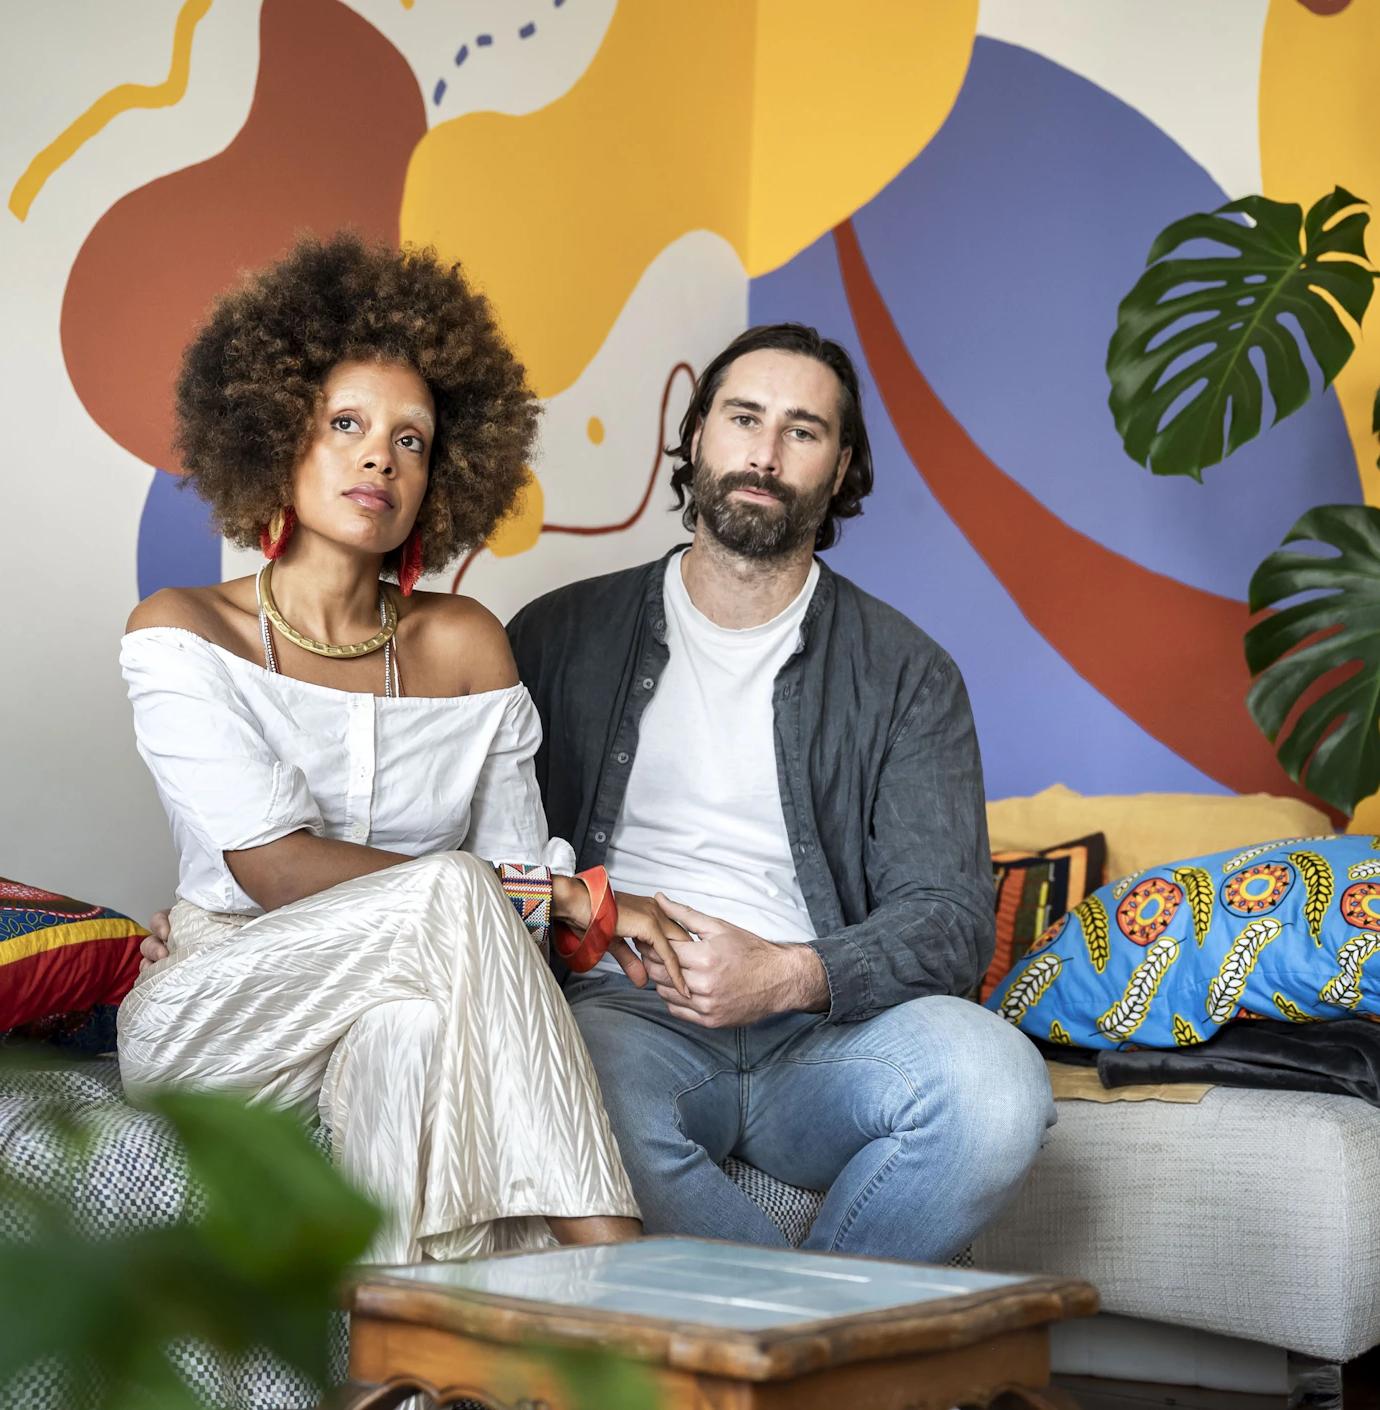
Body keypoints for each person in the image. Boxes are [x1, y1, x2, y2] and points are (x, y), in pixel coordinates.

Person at [116, 233, 691, 1264]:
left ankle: (400, 1368)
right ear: (273, 433)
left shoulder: (465, 644)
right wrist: (556, 895)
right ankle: (621, 1274)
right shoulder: (179, 630)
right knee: (457, 892)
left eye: (412, 440)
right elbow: (273, 865)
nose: (379, 455)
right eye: (345, 423)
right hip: (225, 1010)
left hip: (418, 991)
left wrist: (520, 900)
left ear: (443, 475)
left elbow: (501, 923)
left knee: (412, 1033)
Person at [505, 323, 1055, 1261]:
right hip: (627, 1016)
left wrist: (792, 973)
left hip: (824, 1034)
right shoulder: (557, 636)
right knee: (559, 1086)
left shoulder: (907, 673)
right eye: (743, 418)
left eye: (802, 431)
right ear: (696, 438)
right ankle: (814, 1351)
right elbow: (495, 861)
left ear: (840, 469)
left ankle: (780, 1355)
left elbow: (951, 920)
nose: (763, 453)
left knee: (1000, 1091)